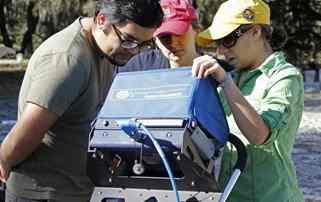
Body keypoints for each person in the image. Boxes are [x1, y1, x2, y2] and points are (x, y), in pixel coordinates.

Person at [0, 0, 163, 201]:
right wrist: (4, 163)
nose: (135, 51)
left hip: (76, 190)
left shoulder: (105, 49)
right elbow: (23, 136)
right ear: (102, 19)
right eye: (129, 41)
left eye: (144, 44)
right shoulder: (68, 59)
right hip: (43, 194)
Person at [192, 0, 305, 201]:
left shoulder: (285, 77)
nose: (221, 51)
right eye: (217, 43)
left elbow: (260, 135)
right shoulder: (233, 76)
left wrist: (226, 82)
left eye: (227, 40)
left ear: (255, 31)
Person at [119, 0, 200, 72]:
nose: (173, 43)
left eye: (179, 33)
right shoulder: (138, 67)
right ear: (155, 39)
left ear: (196, 30)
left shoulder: (211, 71)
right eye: (164, 37)